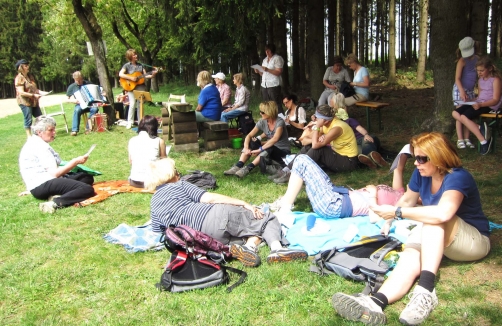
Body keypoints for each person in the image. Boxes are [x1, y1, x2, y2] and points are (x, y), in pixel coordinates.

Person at [332, 132, 490, 326]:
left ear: (439, 157)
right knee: (410, 256)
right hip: (439, 237)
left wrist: (397, 212)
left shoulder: (458, 177)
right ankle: (376, 301)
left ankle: (426, 291)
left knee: (432, 220)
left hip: (473, 242)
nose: (416, 163)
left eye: (422, 158)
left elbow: (443, 214)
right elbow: (407, 201)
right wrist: (388, 218)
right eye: (416, 157)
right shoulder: (421, 174)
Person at [145, 158, 308, 267]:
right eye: (176, 172)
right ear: (170, 175)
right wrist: (244, 204)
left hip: (201, 239)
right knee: (266, 218)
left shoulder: (154, 203)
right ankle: (277, 249)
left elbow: (160, 233)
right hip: (214, 216)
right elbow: (210, 199)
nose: (179, 174)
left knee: (249, 230)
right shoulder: (179, 185)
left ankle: (248, 247)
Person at [274, 154, 404, 231]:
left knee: (302, 160)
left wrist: (373, 194)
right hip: (336, 196)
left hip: (334, 205)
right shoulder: (402, 194)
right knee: (302, 161)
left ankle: (285, 208)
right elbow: (398, 169)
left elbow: (375, 219)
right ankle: (285, 204)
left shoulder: (402, 207)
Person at [18, 116, 95, 214]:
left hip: (39, 185)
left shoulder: (35, 142)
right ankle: (54, 203)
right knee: (86, 189)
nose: (54, 133)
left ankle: (56, 195)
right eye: (51, 130)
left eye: (54, 129)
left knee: (86, 177)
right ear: (39, 132)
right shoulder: (40, 147)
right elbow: (54, 174)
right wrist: (75, 162)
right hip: (42, 184)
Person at [270, 104, 358, 184]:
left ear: (325, 120)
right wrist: (316, 138)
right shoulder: (328, 124)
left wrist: (317, 127)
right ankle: (286, 170)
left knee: (318, 149)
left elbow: (316, 145)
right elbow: (305, 141)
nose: (315, 119)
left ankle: (293, 174)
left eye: (317, 117)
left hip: (348, 162)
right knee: (309, 147)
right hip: (338, 156)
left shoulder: (337, 127)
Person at [224, 101, 290, 178]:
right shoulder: (262, 122)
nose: (260, 114)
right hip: (268, 149)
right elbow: (249, 135)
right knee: (251, 141)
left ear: (269, 112)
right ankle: (238, 166)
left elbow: (275, 139)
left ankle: (248, 168)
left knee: (269, 147)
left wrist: (259, 149)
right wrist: (246, 148)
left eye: (262, 112)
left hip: (282, 152)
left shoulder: (280, 122)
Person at [452, 56, 501, 155]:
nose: (479, 73)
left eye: (482, 70)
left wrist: (480, 104)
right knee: (455, 113)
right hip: (479, 102)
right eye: (478, 71)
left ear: (490, 68)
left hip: (489, 105)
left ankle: (483, 141)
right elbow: (480, 95)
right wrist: (470, 100)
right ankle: (480, 128)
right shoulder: (481, 80)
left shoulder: (496, 80)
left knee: (464, 117)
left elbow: (495, 100)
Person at [329, 93, 388, 169]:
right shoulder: (335, 126)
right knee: (359, 152)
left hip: (361, 138)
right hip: (353, 143)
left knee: (367, 142)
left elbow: (360, 128)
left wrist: (366, 134)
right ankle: (372, 160)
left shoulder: (350, 121)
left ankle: (370, 158)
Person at [453, 37, 481, 149]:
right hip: (459, 90)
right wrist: (461, 91)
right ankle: (460, 139)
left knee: (469, 113)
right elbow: (457, 78)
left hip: (470, 91)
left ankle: (467, 138)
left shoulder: (477, 59)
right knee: (459, 113)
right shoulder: (462, 61)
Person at [119, 49, 157, 129]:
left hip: (140, 86)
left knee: (140, 104)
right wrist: (131, 78)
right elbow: (120, 74)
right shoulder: (127, 65)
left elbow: (145, 75)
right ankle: (130, 122)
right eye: (134, 55)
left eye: (136, 54)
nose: (136, 56)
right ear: (130, 56)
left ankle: (141, 122)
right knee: (132, 104)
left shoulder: (141, 65)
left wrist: (153, 75)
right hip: (130, 87)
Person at [14, 59, 50, 138]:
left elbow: (35, 89)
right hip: (25, 102)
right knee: (28, 118)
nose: (28, 67)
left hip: (33, 101)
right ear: (21, 67)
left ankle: (41, 133)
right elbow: (21, 92)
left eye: (28, 65)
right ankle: (29, 136)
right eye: (26, 66)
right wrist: (33, 95)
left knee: (40, 117)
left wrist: (42, 92)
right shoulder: (19, 78)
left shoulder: (30, 76)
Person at [128, 115, 167, 188]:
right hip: (154, 182)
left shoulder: (132, 140)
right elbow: (164, 163)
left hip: (135, 181)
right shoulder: (159, 141)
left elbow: (130, 161)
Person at [66, 71, 99, 136]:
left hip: (90, 104)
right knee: (77, 110)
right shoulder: (72, 87)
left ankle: (88, 127)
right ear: (74, 79)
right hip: (80, 105)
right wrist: (73, 101)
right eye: (76, 80)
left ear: (82, 78)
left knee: (95, 109)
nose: (78, 82)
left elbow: (96, 90)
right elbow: (67, 99)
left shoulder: (88, 83)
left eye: (80, 80)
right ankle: (74, 130)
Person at [254, 44, 285, 114]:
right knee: (267, 104)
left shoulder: (277, 58)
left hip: (274, 84)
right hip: (264, 85)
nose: (267, 52)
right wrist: (258, 71)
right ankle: (270, 120)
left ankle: (281, 120)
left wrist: (268, 69)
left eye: (268, 51)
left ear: (272, 51)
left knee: (276, 104)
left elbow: (279, 72)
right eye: (266, 51)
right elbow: (263, 74)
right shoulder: (264, 60)